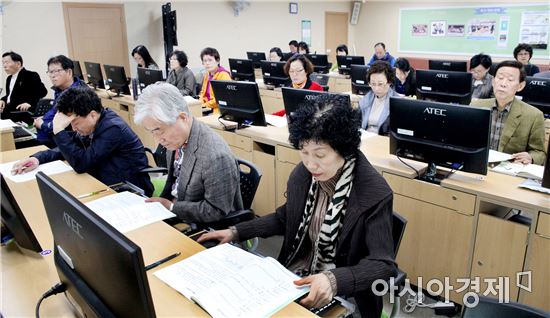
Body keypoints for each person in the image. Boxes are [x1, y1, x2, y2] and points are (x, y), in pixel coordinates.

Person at [198, 93, 397, 318]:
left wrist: (333, 279)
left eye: (320, 155)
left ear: (344, 149)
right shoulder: (304, 175)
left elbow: (383, 263)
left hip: (346, 294)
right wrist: (236, 231)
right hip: (295, 278)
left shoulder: (373, 193)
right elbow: (286, 218)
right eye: (304, 153)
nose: (311, 164)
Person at [12, 86, 154, 196]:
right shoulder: (92, 122)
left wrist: (59, 131)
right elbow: (67, 148)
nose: (74, 129)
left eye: (75, 123)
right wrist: (37, 159)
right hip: (103, 181)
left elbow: (82, 163)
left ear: (92, 115)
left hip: (129, 189)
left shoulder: (113, 128)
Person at [134, 82, 243, 223]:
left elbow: (216, 211)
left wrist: (172, 207)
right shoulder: (178, 139)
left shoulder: (215, 156)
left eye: (159, 130)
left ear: (183, 118)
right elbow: (174, 181)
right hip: (176, 210)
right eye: (152, 132)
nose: (158, 139)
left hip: (205, 227)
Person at [470, 60, 546, 165]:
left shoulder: (534, 115)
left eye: (510, 80)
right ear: (493, 81)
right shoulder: (476, 106)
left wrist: (531, 157)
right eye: (500, 78)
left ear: (520, 86)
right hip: (478, 165)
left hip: (508, 170)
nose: (503, 84)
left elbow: (540, 153)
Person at [35, 55, 87, 148]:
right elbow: (55, 112)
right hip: (50, 138)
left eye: (57, 71)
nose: (53, 75)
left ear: (69, 72)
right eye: (50, 72)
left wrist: (42, 124)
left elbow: (63, 124)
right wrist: (44, 118)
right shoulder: (60, 89)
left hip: (68, 141)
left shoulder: (76, 94)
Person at [0, 51, 47, 119]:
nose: (4, 65)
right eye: (3, 63)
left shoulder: (31, 75)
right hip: (8, 110)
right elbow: (10, 95)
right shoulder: (9, 78)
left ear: (18, 64)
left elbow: (42, 92)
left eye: (7, 62)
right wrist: (2, 100)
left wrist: (30, 103)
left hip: (21, 112)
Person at [359, 61, 397, 135]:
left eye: (380, 84)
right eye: (373, 84)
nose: (376, 89)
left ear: (389, 82)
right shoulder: (366, 99)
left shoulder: (396, 103)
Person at [198, 47, 232, 114]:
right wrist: (200, 103)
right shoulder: (207, 74)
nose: (207, 63)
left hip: (218, 110)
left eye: (210, 60)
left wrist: (205, 106)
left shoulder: (223, 75)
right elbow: (202, 92)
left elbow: (221, 99)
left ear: (217, 61)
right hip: (206, 107)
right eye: (204, 61)